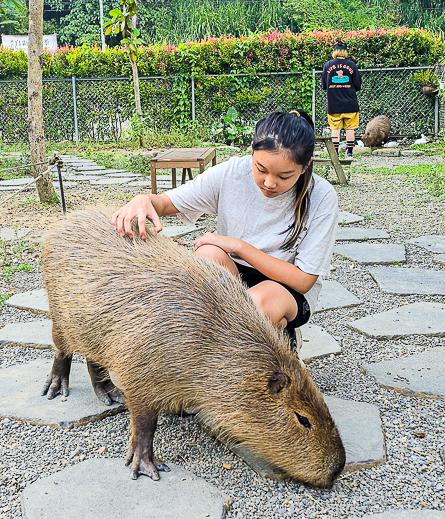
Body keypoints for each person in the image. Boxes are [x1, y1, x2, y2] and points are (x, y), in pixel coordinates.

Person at [111, 110, 338, 353]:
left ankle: (274, 333)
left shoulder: (321, 196)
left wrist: (238, 246)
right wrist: (144, 200)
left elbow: (303, 281)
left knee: (255, 306)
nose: (269, 183)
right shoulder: (232, 173)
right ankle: (269, 332)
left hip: (285, 288)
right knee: (207, 255)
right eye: (261, 169)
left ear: (305, 166)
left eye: (284, 176)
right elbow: (167, 203)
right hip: (235, 274)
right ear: (252, 152)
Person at [321, 40, 362, 159]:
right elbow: (358, 85)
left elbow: (324, 85)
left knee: (335, 129)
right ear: (345, 52)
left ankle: (336, 154)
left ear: (334, 51)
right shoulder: (352, 65)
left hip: (334, 104)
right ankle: (350, 153)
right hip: (350, 104)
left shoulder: (327, 65)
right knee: (350, 128)